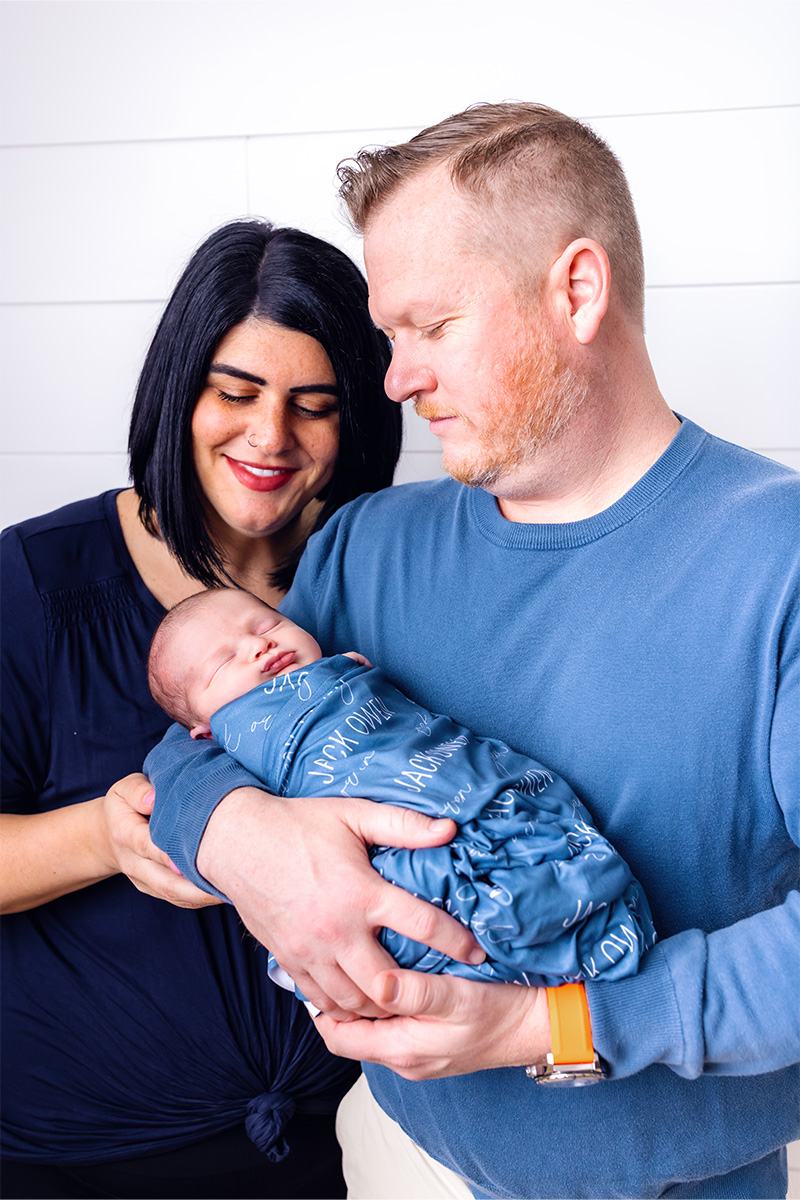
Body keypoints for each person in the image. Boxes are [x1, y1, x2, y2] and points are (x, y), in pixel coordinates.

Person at [136, 103, 798, 1200]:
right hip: (407, 1162)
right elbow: (197, 737)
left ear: (574, 290)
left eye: (428, 327)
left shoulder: (771, 559)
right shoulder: (365, 544)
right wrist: (238, 833)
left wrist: (542, 1026)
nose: (391, 380)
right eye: (387, 336)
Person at [0, 218, 409, 1199]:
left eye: (314, 406)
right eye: (236, 394)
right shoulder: (33, 584)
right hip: (70, 1166)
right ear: (177, 390)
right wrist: (104, 837)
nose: (270, 438)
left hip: (317, 1152)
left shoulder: (372, 583)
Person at [147, 584, 657, 990]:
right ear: (208, 735)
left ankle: (566, 928)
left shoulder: (340, 661)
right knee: (420, 906)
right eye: (223, 661)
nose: (260, 644)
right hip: (391, 849)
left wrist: (342, 678)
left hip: (465, 782)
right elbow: (174, 769)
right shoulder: (229, 748)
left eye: (268, 624)